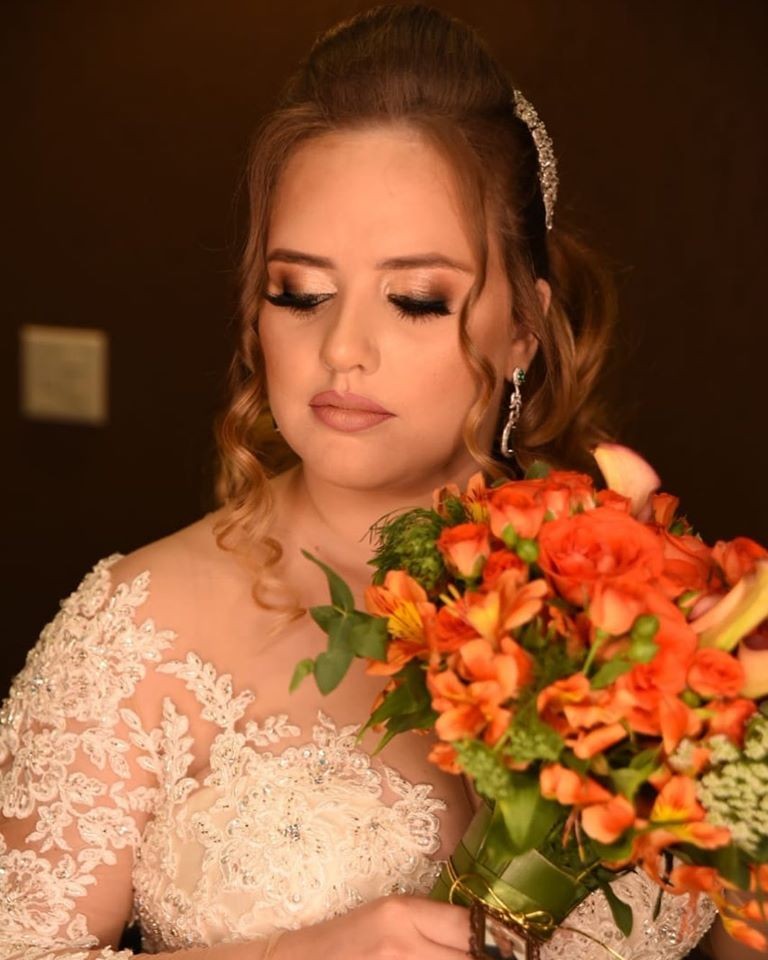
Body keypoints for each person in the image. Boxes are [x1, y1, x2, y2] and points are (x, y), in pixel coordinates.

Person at [0, 4, 731, 959]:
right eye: (300, 293)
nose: (343, 347)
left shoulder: (659, 619)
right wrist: (296, 954)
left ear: (523, 327)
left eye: (415, 300)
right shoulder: (137, 629)